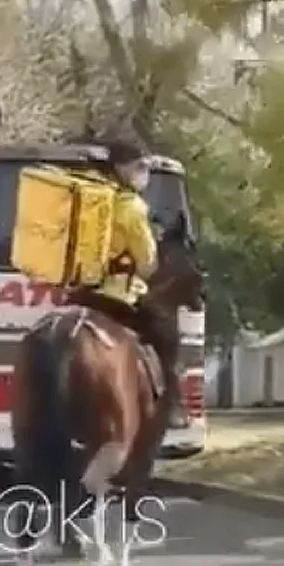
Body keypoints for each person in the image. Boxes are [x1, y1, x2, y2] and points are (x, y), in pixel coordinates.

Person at [84, 137, 181, 422]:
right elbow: (148, 262)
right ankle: (171, 404)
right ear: (121, 168)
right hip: (119, 296)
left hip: (82, 292)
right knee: (166, 335)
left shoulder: (92, 198)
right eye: (140, 167)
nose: (145, 174)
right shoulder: (132, 207)